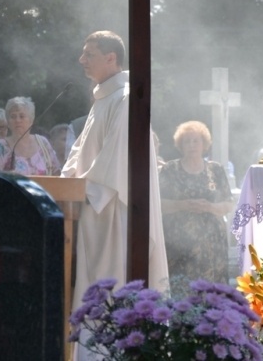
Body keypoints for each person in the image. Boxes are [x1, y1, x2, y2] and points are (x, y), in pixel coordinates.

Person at [62, 31, 168, 357]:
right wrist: (62, 183)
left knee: (112, 285)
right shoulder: (104, 97)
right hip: (95, 207)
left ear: (111, 58)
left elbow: (113, 163)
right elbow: (80, 153)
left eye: (89, 54)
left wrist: (78, 189)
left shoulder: (124, 98)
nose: (82, 60)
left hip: (114, 209)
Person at [160, 121, 234, 283]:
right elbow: (158, 205)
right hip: (179, 243)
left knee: (213, 291)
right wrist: (183, 205)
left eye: (196, 141)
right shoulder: (169, 170)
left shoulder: (216, 169)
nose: (192, 145)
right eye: (187, 141)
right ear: (180, 145)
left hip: (213, 243)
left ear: (204, 144)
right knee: (182, 289)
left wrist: (210, 207)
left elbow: (228, 204)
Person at [0, 97, 61, 176]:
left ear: (31, 120)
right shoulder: (1, 147)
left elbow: (57, 174)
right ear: (8, 122)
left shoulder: (43, 142)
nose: (17, 120)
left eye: (22, 116)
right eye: (13, 116)